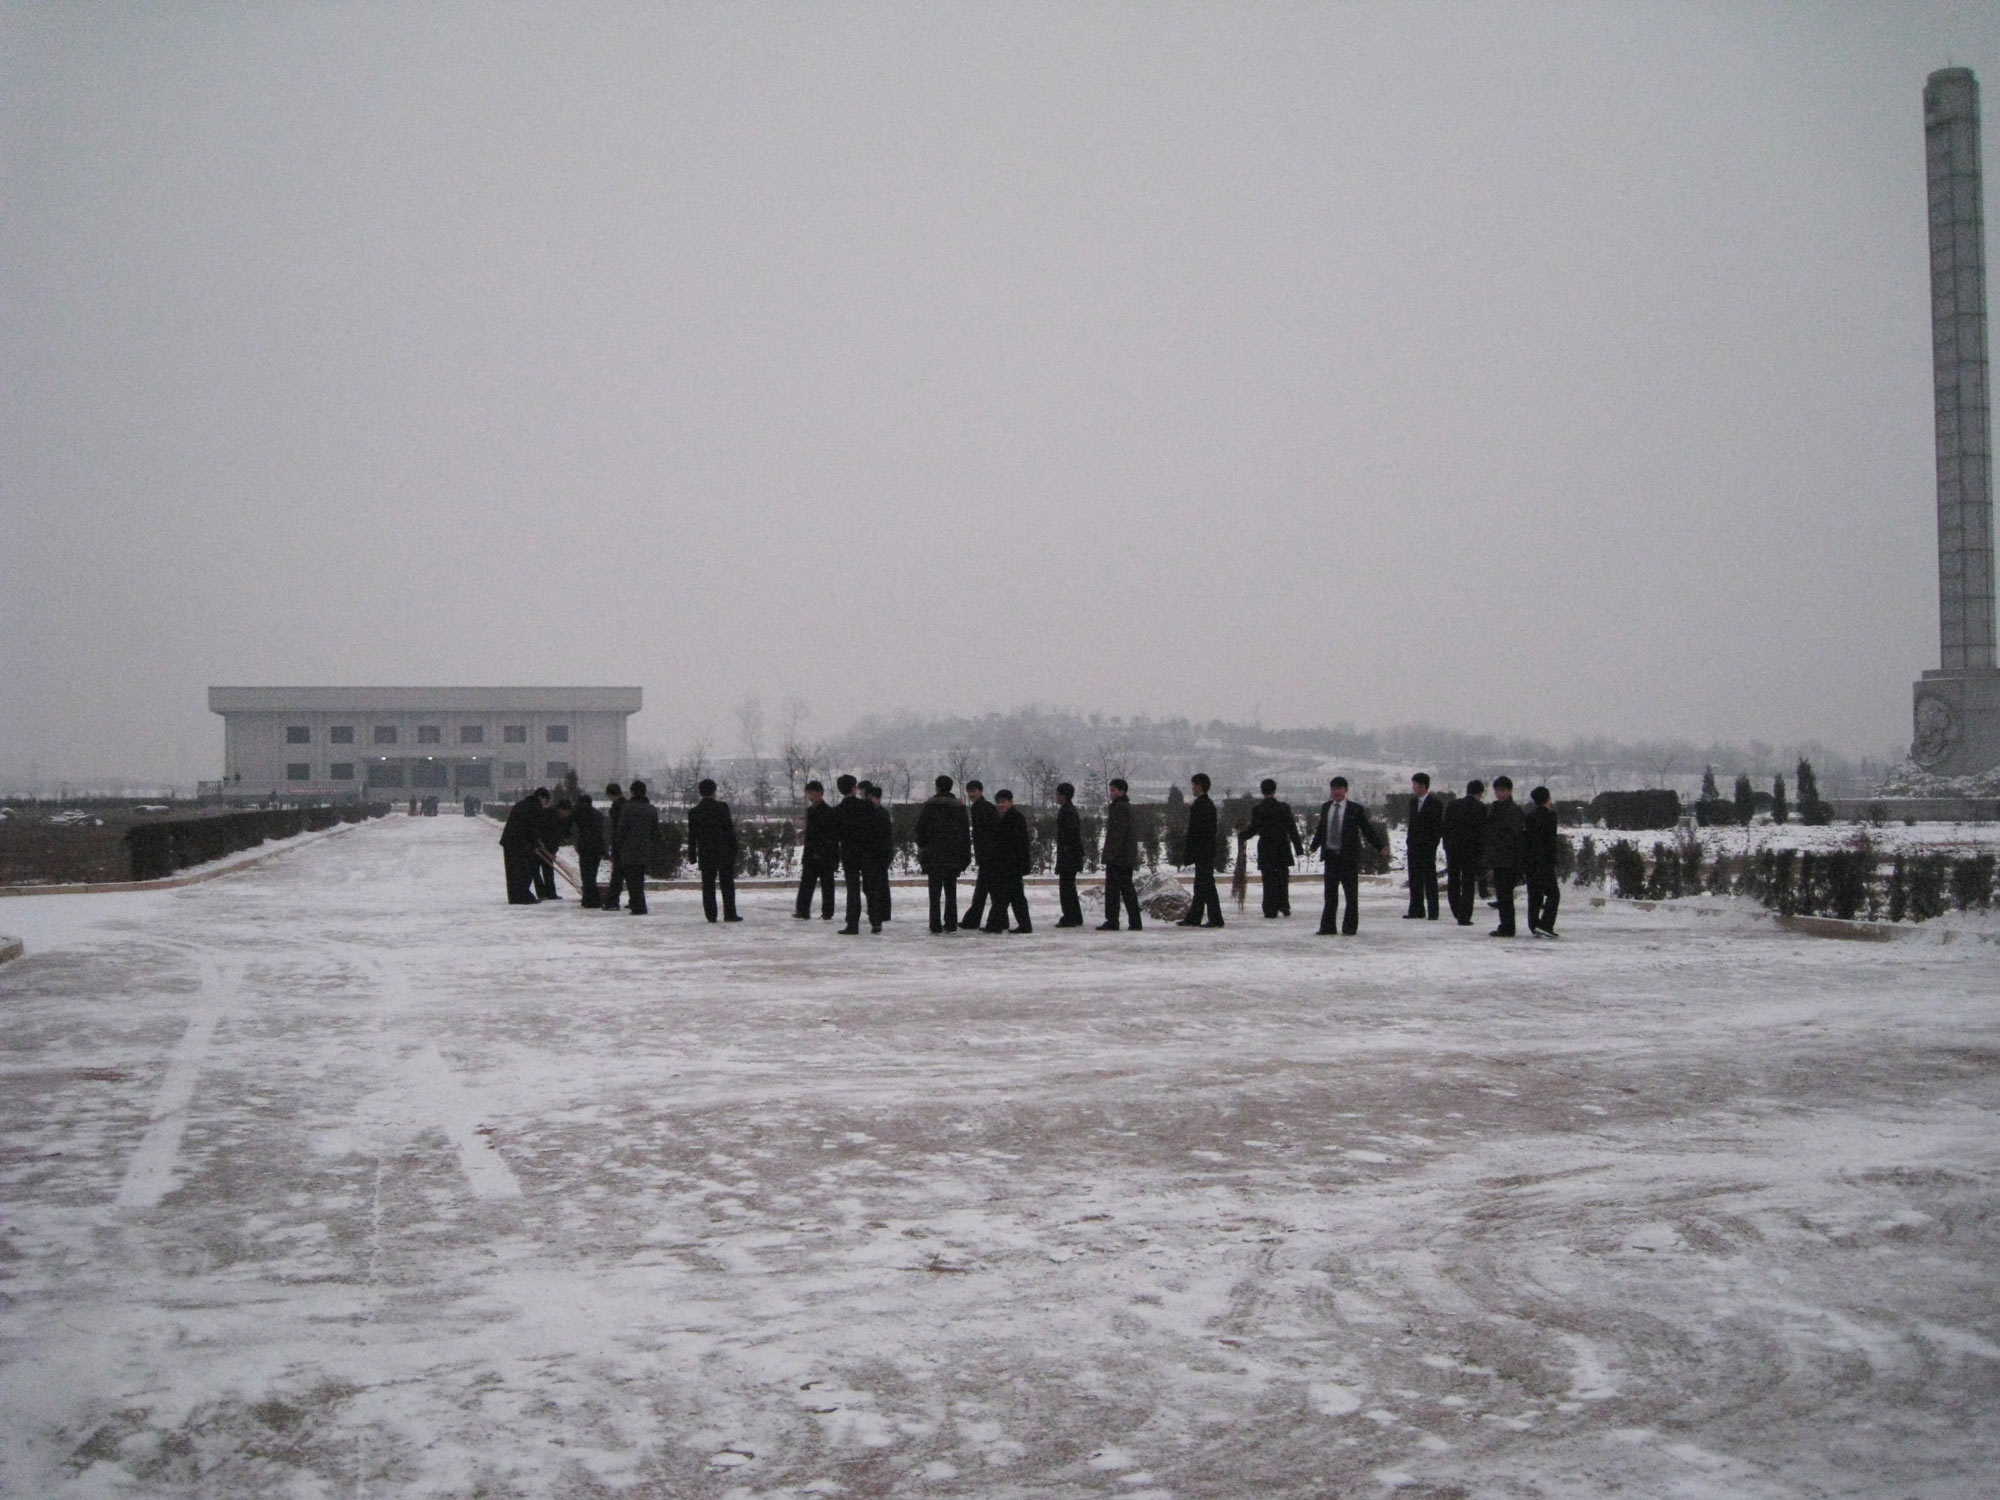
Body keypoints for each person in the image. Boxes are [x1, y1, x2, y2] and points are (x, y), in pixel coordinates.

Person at [1309, 776, 1385, 935]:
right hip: (1330, 857)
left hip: (1348, 858)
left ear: (1345, 790)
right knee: (1330, 895)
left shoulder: (1355, 809)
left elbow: (1367, 830)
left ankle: (1349, 927)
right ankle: (1327, 927)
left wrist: (1380, 846)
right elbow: (1322, 829)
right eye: (1334, 789)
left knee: (1351, 895)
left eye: (1339, 788)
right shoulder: (1326, 808)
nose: (1336, 792)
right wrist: (1314, 846)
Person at [915, 775, 971, 933]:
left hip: (933, 856)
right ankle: (951, 923)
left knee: (934, 893)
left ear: (937, 787)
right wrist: (964, 856)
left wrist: (923, 846)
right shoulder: (959, 808)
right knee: (951, 891)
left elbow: (921, 832)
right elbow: (964, 834)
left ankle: (935, 924)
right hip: (953, 856)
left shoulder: (929, 808)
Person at [1244, 779, 1304, 918]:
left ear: (1262, 791)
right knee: (1282, 878)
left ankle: (1270, 908)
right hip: (1282, 847)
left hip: (1266, 849)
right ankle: (1284, 905)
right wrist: (1299, 848)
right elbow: (1292, 829)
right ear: (1275, 790)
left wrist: (1243, 836)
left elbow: (1253, 829)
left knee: (1269, 879)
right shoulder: (1284, 808)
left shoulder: (1258, 809)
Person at [686, 778, 742, 922]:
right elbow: (729, 830)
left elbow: (692, 836)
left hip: (706, 852)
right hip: (724, 851)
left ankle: (711, 915)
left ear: (700, 792)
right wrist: (734, 849)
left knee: (708, 884)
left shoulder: (694, 812)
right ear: (714, 791)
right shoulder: (722, 807)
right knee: (727, 883)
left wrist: (692, 855)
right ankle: (730, 913)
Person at [983, 789, 1034, 933]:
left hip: (1011, 864)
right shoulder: (1007, 818)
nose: (1000, 805)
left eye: (1003, 802)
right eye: (998, 802)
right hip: (1009, 864)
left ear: (1010, 802)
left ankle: (996, 925)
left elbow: (1015, 843)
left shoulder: (1014, 818)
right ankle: (1022, 925)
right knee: (1014, 896)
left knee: (1003, 896)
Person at [1176, 773, 1223, 927]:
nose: (1192, 788)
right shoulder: (1206, 804)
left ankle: (1215, 918)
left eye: (1194, 785)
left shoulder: (1201, 806)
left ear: (1200, 786)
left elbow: (1195, 832)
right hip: (1206, 850)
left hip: (1203, 850)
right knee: (1201, 884)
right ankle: (1195, 916)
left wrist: (1190, 851)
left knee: (1206, 884)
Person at [1484, 776, 1526, 937]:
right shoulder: (1495, 808)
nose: (1499, 793)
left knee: (1505, 895)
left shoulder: (1513, 810)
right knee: (1502, 894)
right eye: (1497, 790)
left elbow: (1513, 836)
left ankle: (1508, 927)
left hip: (1508, 858)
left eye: (1502, 790)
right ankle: (1505, 925)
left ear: (1509, 791)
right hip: (1499, 858)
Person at [1098, 778, 1143, 931]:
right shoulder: (1124, 807)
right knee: (1126, 889)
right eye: (1111, 790)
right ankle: (1134, 921)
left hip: (1119, 857)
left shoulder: (1120, 808)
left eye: (1114, 790)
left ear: (1122, 791)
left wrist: (1110, 855)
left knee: (1115, 890)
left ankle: (1113, 920)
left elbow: (1117, 835)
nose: (1111, 793)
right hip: (1124, 856)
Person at [832, 775, 876, 934]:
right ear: (854, 788)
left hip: (849, 852)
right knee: (870, 886)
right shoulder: (867, 806)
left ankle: (852, 923)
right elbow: (874, 829)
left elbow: (835, 835)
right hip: (867, 851)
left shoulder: (838, 811)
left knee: (853, 889)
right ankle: (875, 920)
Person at [1442, 779, 1488, 926]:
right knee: (1468, 883)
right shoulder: (1480, 808)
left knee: (1453, 880)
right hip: (1471, 851)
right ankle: (1465, 915)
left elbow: (1446, 828)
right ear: (1480, 793)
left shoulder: (1453, 805)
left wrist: (1446, 847)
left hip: (1453, 850)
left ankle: (1456, 908)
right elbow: (1482, 832)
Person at [613, 779, 659, 915]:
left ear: (632, 792)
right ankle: (638, 903)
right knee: (639, 877)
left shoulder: (627, 808)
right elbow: (654, 831)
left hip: (628, 849)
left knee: (632, 879)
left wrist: (617, 845)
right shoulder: (651, 809)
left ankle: (638, 905)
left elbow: (621, 829)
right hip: (644, 848)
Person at [795, 779, 839, 920]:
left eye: (812, 794)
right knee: (806, 883)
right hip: (811, 854)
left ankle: (827, 912)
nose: (810, 797)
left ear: (820, 793)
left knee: (827, 884)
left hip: (825, 854)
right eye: (808, 794)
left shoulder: (829, 812)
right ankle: (802, 910)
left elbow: (830, 835)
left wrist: (824, 851)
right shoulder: (810, 811)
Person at [1403, 772, 1445, 921]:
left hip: (1427, 847)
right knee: (1414, 878)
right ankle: (1416, 909)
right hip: (1413, 846)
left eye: (1415, 784)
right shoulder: (1413, 803)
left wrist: (1432, 844)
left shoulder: (1435, 803)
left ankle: (1433, 911)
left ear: (1423, 785)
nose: (1413, 787)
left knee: (1429, 879)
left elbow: (1437, 827)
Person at [499, 787, 549, 904]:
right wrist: (535, 843)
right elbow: (531, 828)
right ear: (541, 797)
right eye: (546, 801)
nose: (545, 804)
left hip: (510, 842)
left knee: (512, 871)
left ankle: (515, 896)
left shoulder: (522, 804)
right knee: (524, 871)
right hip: (520, 843)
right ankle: (523, 896)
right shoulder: (534, 808)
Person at [1524, 784, 1563, 937]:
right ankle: (1546, 923)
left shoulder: (1529, 817)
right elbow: (1550, 841)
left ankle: (1533, 924)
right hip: (1545, 861)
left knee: (1535, 894)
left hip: (1531, 861)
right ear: (1548, 798)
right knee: (1554, 894)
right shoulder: (1551, 816)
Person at [961, 781, 1000, 930]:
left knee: (987, 890)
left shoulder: (984, 808)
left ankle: (979, 920)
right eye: (969, 791)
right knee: (985, 890)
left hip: (988, 855)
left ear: (981, 791)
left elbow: (990, 833)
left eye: (974, 791)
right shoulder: (979, 808)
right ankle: (977, 920)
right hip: (986, 855)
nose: (971, 794)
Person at [1053, 781, 1086, 927]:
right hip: (1070, 854)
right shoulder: (1069, 810)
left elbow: (1070, 834)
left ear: (1064, 796)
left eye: (1058, 794)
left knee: (1066, 887)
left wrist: (1066, 850)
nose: (1056, 797)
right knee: (1069, 887)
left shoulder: (1068, 811)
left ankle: (1070, 916)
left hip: (1068, 855)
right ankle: (1074, 916)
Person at [864, 782, 896, 924]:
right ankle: (881, 911)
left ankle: (883, 912)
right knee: (879, 883)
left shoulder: (881, 814)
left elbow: (883, 837)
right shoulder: (877, 813)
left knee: (880, 884)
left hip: (880, 854)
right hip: (877, 854)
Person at [572, 791, 606, 908]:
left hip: (585, 847)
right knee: (592, 873)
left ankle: (589, 899)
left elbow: (572, 829)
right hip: (596, 847)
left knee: (586, 874)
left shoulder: (577, 813)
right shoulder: (598, 815)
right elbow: (603, 833)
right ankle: (592, 898)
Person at [534, 792, 571, 900]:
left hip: (549, 847)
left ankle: (550, 893)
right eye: (566, 812)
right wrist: (542, 846)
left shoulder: (560, 818)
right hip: (540, 845)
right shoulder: (548, 815)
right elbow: (547, 832)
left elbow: (557, 836)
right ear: (561, 809)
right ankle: (542, 893)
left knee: (548, 870)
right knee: (536, 870)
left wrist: (553, 851)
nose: (567, 815)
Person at [601, 782, 630, 912]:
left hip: (619, 845)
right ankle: (634, 900)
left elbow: (615, 829)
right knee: (630, 874)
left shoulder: (616, 808)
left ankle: (612, 901)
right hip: (629, 845)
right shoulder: (628, 805)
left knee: (617, 874)